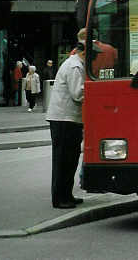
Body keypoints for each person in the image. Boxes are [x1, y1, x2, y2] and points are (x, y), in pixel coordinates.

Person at [46, 41, 86, 209]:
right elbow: (77, 94)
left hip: (68, 118)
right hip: (64, 119)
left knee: (70, 159)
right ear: (84, 53)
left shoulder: (75, 64)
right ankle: (60, 198)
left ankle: (66, 194)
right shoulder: (75, 67)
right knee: (63, 159)